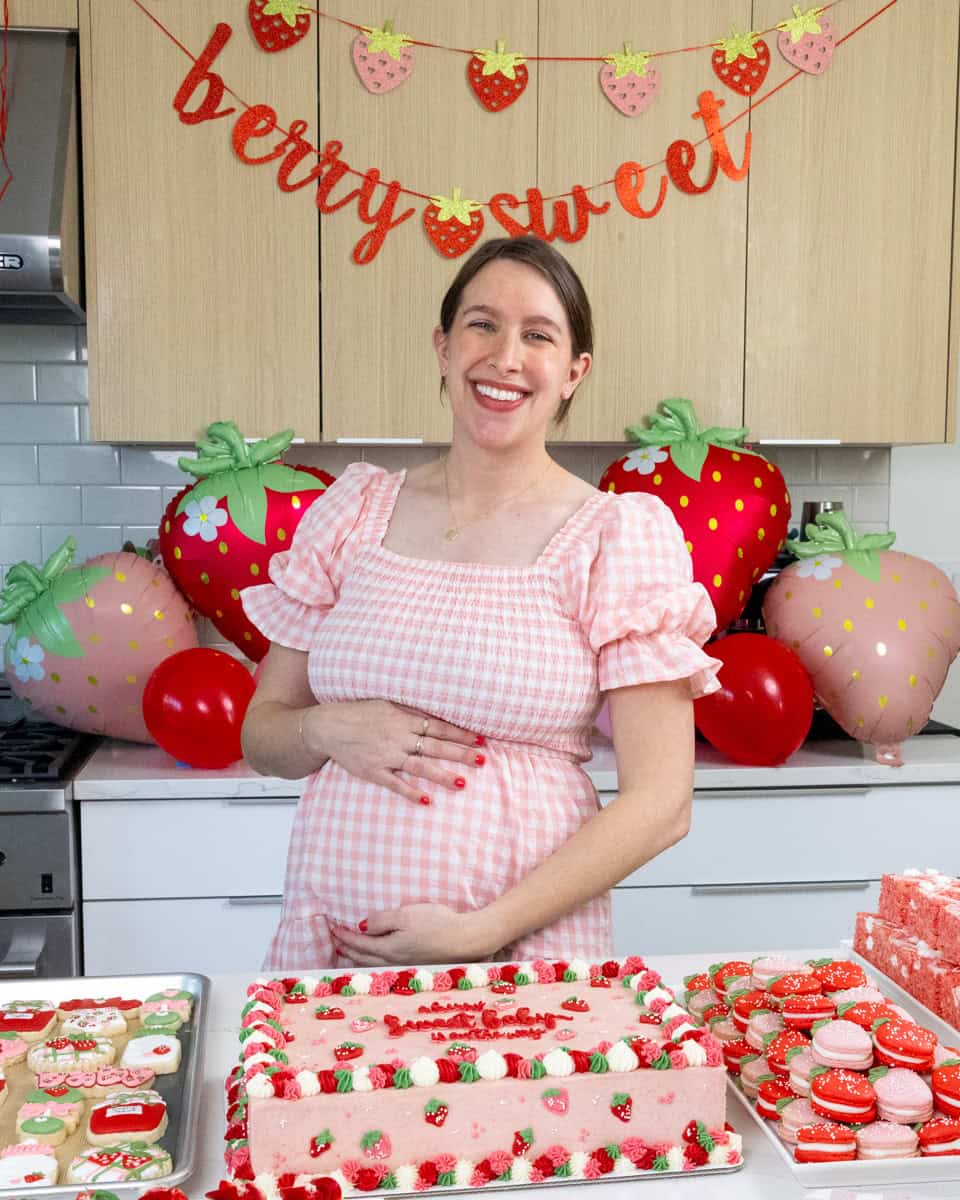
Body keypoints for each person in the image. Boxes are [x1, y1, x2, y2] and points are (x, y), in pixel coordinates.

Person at [240, 236, 720, 970]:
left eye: (538, 335)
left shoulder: (614, 537)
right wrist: (324, 727)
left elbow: (662, 805)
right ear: (443, 346)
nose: (505, 357)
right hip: (334, 956)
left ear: (574, 372)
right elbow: (262, 735)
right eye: (483, 324)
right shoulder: (353, 512)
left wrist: (481, 931)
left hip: (520, 959)